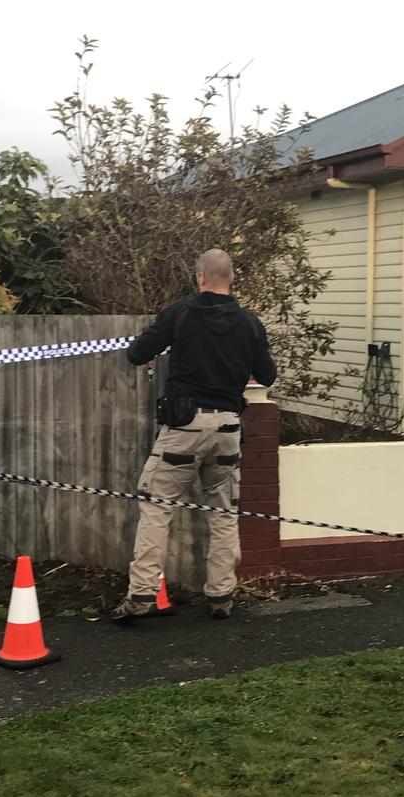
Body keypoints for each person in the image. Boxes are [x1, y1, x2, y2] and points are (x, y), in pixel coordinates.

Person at [111, 249, 277, 623]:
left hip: (184, 428)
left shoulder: (180, 313)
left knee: (157, 504)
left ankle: (141, 594)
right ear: (231, 277)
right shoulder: (250, 323)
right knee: (223, 512)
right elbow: (267, 376)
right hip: (228, 430)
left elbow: (137, 354)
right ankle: (221, 595)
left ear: (200, 277)